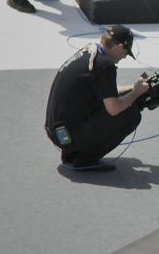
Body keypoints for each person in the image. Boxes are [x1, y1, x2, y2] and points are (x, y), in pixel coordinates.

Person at [44, 25, 149, 172]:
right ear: (119, 47)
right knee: (131, 115)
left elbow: (106, 92)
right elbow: (114, 108)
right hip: (70, 135)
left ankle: (71, 153)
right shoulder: (105, 65)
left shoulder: (89, 53)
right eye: (126, 52)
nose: (125, 56)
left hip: (59, 132)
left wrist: (133, 87)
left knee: (111, 102)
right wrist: (136, 93)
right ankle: (85, 159)